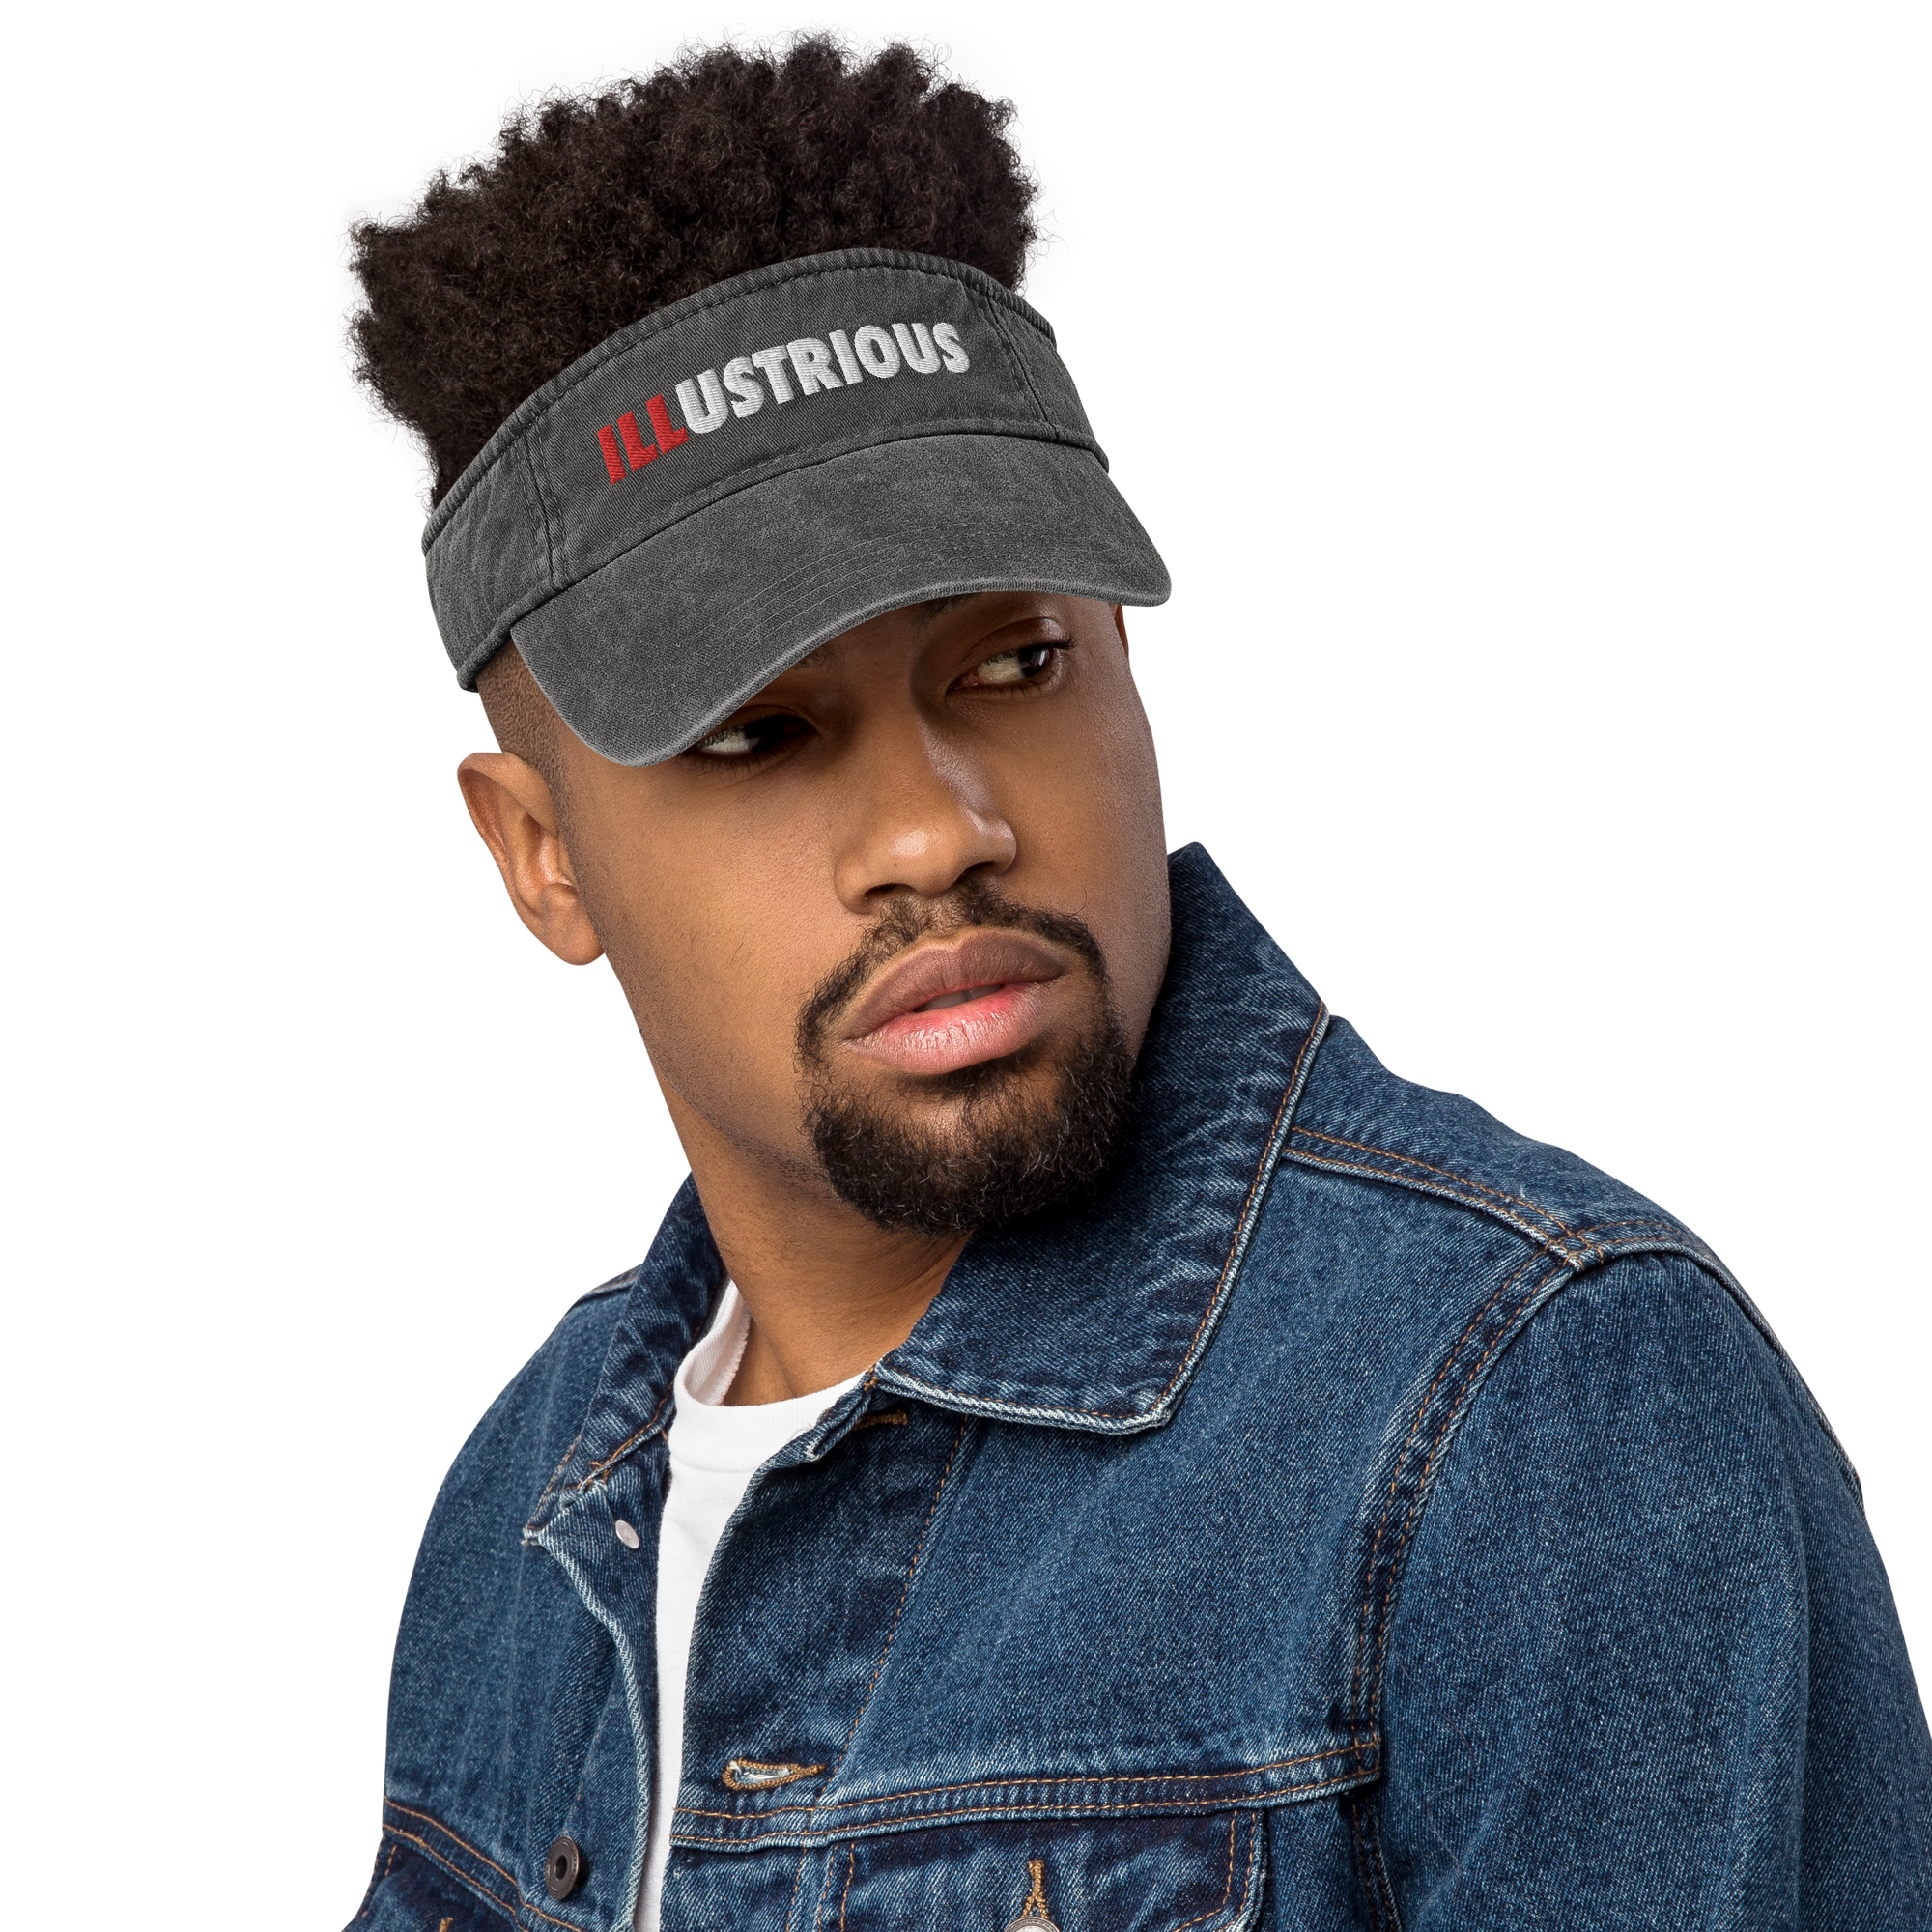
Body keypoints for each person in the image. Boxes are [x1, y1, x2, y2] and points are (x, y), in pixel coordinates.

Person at [327, 19, 1928, 1930]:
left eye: (1014, 663)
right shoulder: (526, 1495)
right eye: (760, 733)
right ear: (539, 856)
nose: (936, 831)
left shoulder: (1530, 1408)